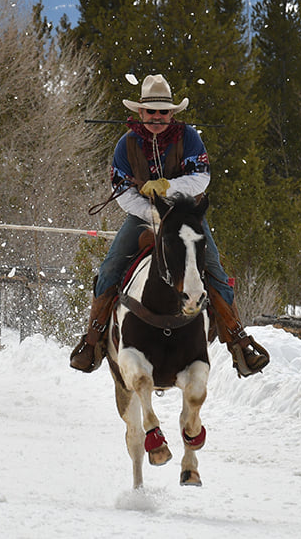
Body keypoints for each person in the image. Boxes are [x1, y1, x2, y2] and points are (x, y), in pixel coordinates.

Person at [70, 73, 270, 377]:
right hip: (141, 216)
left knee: (214, 269)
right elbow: (123, 192)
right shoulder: (125, 145)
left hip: (187, 217)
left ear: (172, 113)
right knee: (110, 267)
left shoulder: (189, 137)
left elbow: (201, 177)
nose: (157, 117)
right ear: (140, 112)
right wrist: (153, 216)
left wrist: (167, 186)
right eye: (151, 111)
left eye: (163, 112)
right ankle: (93, 340)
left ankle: (238, 341)